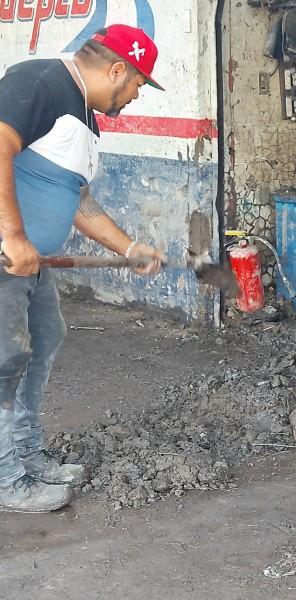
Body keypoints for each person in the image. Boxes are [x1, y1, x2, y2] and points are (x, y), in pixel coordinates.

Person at [0, 24, 166, 512]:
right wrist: (11, 235)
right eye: (138, 83)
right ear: (117, 69)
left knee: (46, 339)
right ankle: (6, 478)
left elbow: (76, 199)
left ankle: (28, 454)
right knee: (6, 360)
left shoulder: (83, 116)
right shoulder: (41, 82)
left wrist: (128, 246)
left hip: (34, 262)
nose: (136, 95)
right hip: (7, 257)